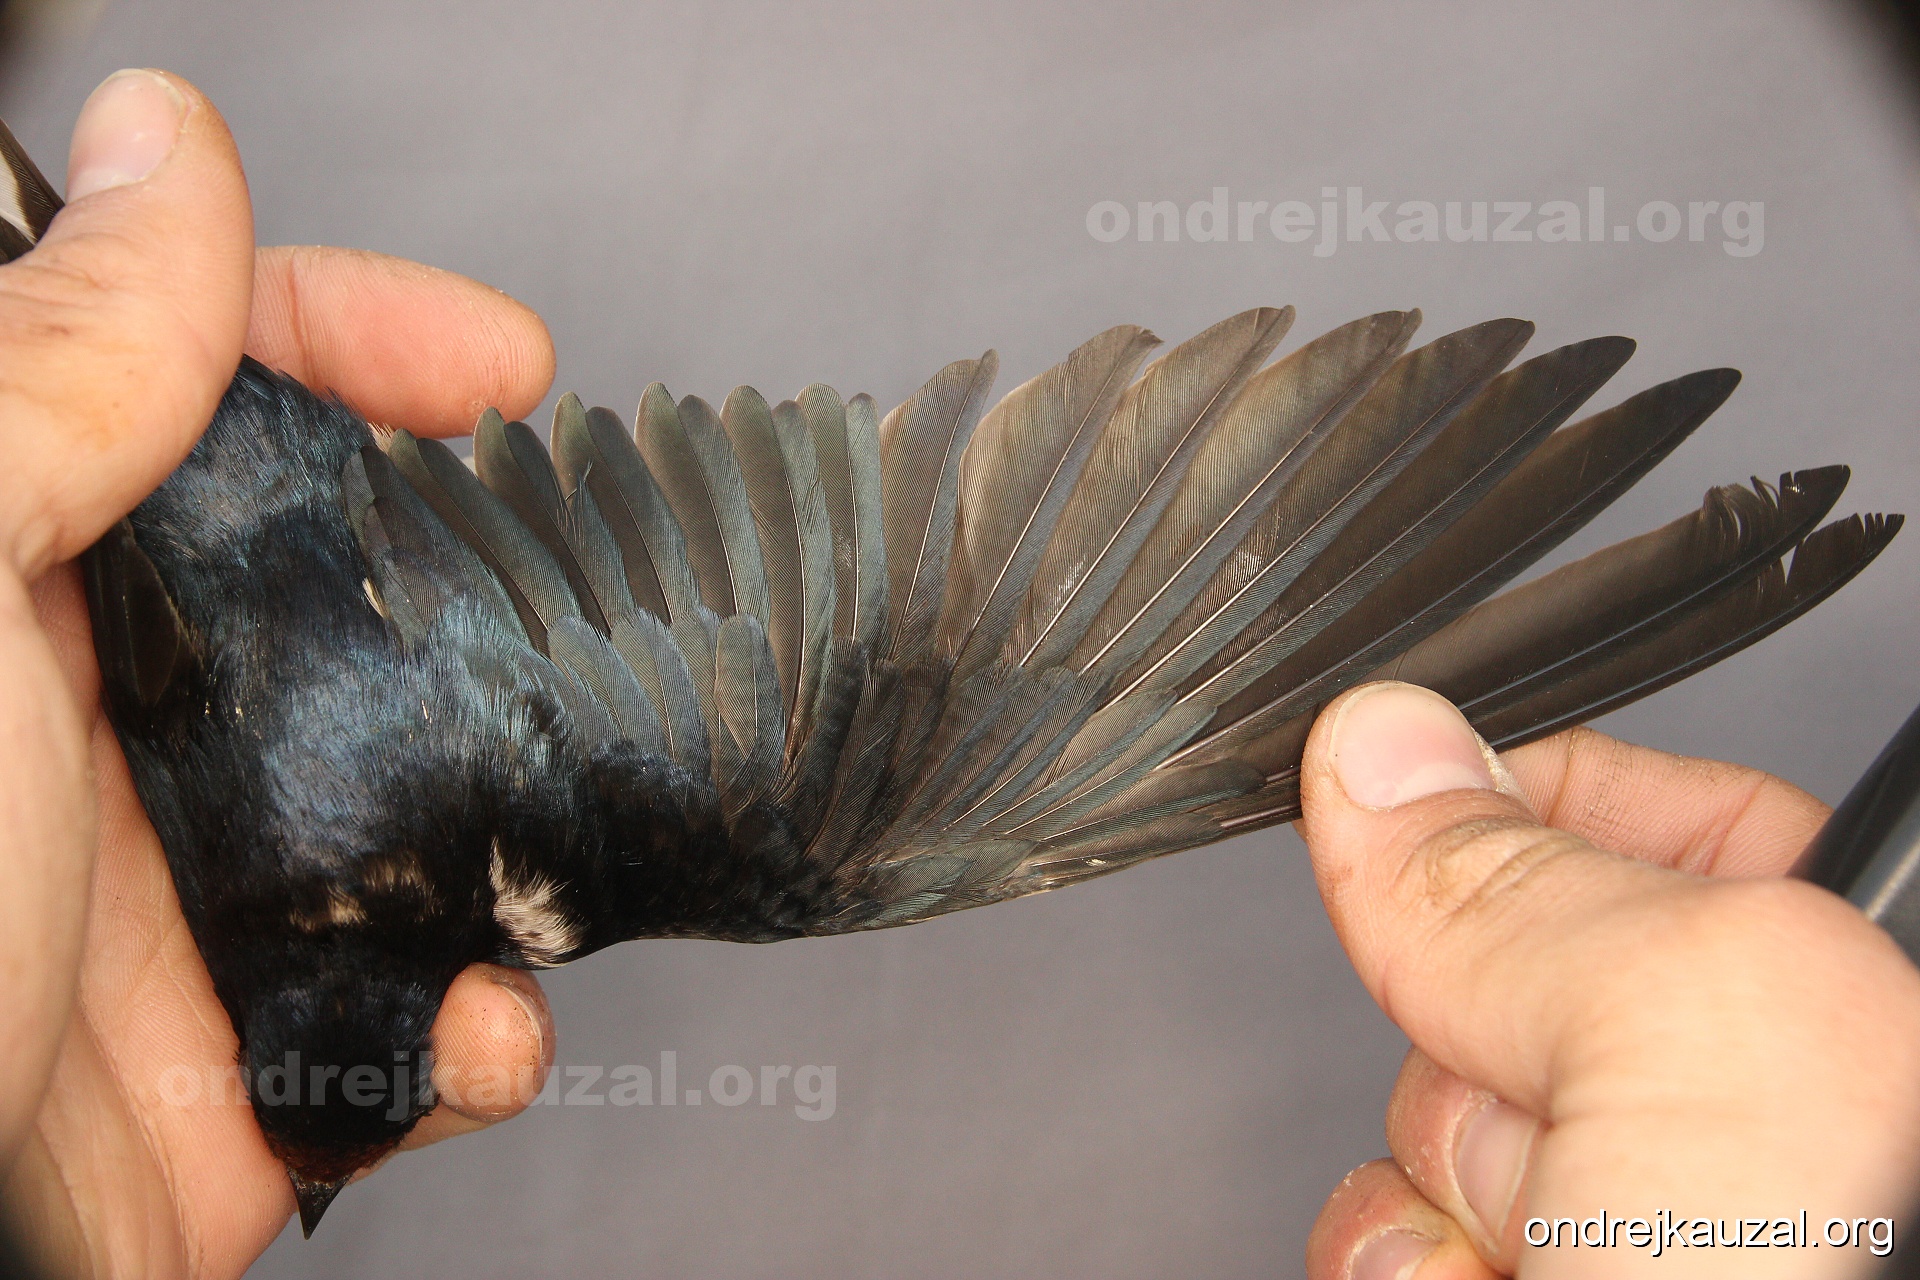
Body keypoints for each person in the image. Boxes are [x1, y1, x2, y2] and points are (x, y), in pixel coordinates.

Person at [1, 70, 1915, 1280]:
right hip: (165, 492)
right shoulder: (401, 866)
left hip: (145, 472)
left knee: (899, 825)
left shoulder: (482, 869)